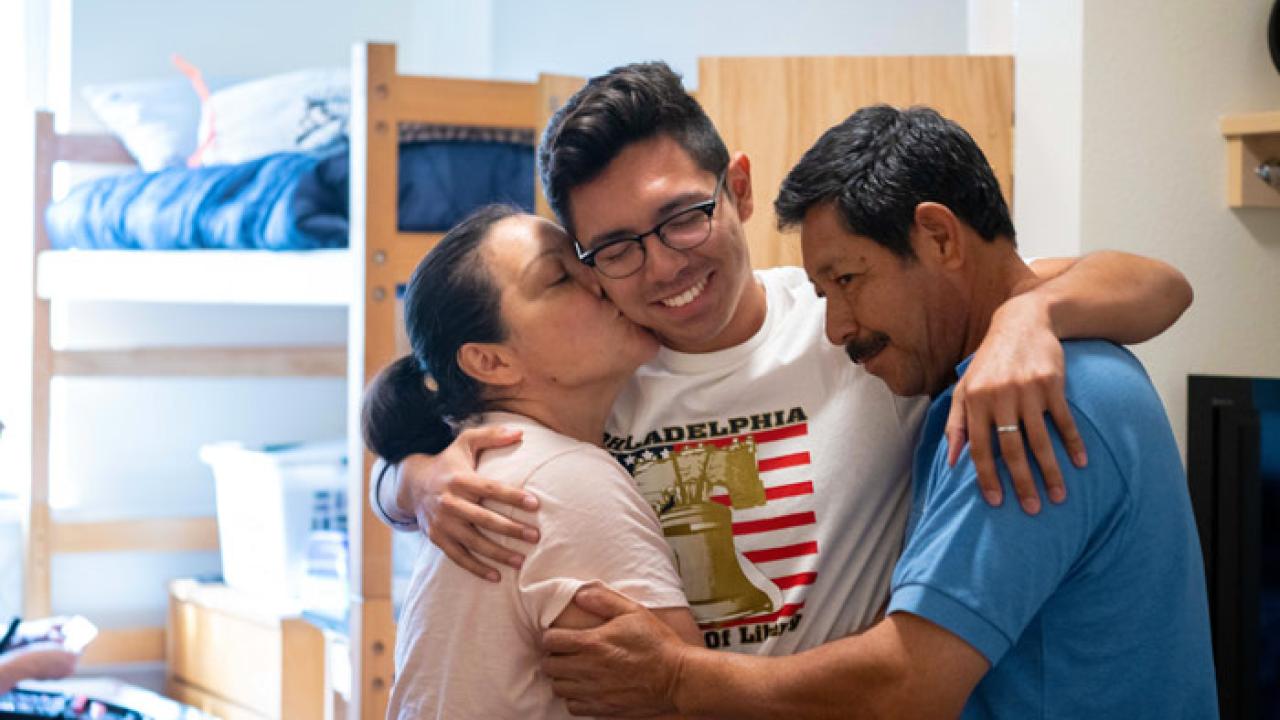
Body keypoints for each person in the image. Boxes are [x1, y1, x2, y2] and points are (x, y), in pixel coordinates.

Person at [373, 62, 1194, 657]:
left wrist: (1029, 313)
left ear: (737, 188)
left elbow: (1158, 285)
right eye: (617, 248)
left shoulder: (858, 323)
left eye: (684, 218)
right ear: (587, 261)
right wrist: (412, 483)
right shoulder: (591, 374)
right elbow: (413, 417)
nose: (662, 267)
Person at [539, 105, 1217, 719]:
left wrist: (675, 679)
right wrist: (427, 478)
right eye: (619, 249)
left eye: (847, 281)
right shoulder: (595, 380)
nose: (837, 325)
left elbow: (908, 683)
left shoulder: (1024, 394)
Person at [361, 205, 700, 719]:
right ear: (491, 362)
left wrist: (409, 480)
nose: (602, 280)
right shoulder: (560, 481)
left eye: (587, 259)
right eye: (561, 276)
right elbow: (688, 706)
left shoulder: (497, 462)